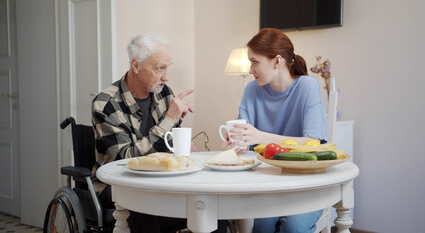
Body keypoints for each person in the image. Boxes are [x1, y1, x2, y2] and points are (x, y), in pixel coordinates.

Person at [91, 33, 226, 233]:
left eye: (167, 67)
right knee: (145, 202)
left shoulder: (164, 93)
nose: (166, 76)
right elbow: (125, 159)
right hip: (119, 185)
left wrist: (185, 150)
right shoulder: (106, 104)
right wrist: (169, 120)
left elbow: (170, 143)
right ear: (136, 66)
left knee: (212, 209)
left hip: (162, 179)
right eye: (159, 68)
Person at [224, 28, 327, 233]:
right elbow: (243, 135)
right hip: (266, 184)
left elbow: (313, 143)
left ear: (277, 61)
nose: (250, 69)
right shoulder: (251, 90)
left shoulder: (307, 86)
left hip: (304, 184)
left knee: (293, 227)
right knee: (263, 225)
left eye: (255, 61)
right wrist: (236, 143)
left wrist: (259, 137)